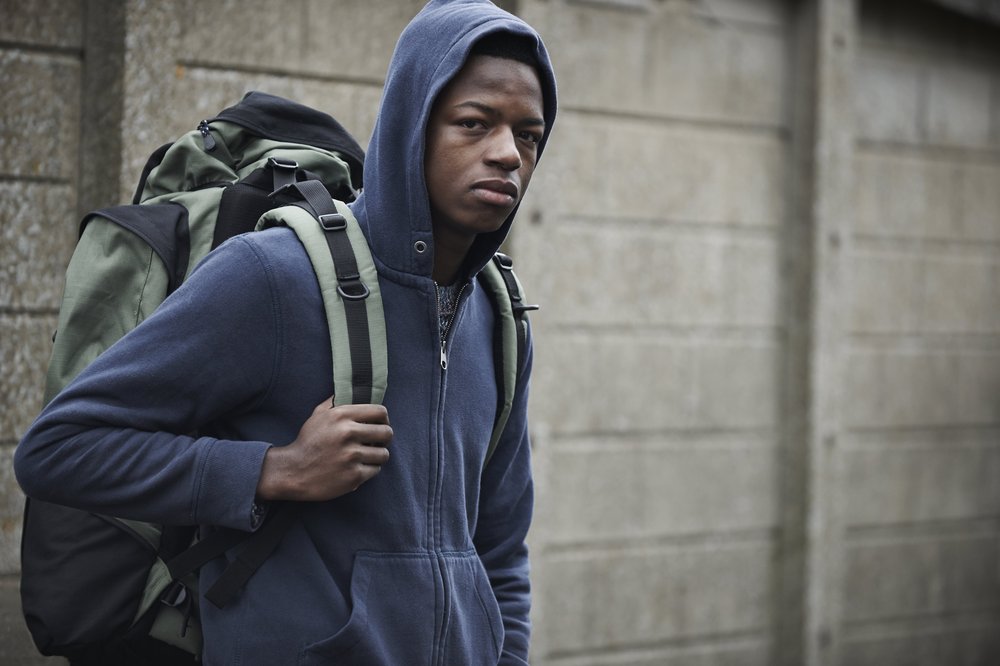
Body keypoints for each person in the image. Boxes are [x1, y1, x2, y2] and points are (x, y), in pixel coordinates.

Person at [14, 0, 557, 663]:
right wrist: (271, 470)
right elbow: (59, 450)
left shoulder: (499, 314)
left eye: (528, 135)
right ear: (413, 127)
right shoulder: (274, 275)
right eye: (474, 124)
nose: (507, 154)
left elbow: (499, 551)